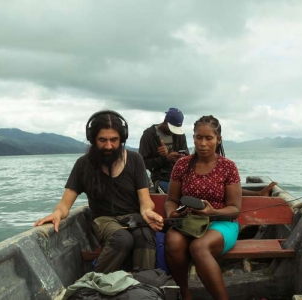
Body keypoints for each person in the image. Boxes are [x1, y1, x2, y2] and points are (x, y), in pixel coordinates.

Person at [34, 110, 164, 273]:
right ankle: (94, 283)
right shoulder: (83, 164)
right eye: (102, 140)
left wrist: (147, 212)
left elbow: (145, 201)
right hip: (103, 219)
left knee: (145, 237)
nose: (108, 146)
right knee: (122, 239)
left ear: (122, 138)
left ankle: (143, 286)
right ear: (93, 139)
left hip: (133, 217)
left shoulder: (135, 160)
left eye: (114, 140)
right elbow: (65, 203)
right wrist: (57, 214)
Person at [163, 115, 241, 300]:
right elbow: (171, 199)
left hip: (221, 222)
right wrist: (171, 213)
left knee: (199, 247)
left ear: (218, 139)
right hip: (189, 222)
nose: (203, 143)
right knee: (172, 240)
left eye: (209, 138)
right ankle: (185, 292)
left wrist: (212, 212)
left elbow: (235, 209)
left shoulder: (228, 167)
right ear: (193, 138)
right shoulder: (182, 165)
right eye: (199, 137)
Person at [139, 108, 189, 193]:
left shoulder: (180, 135)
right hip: (161, 178)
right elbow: (143, 163)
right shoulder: (149, 135)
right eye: (171, 129)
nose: (173, 132)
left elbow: (187, 156)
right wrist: (165, 159)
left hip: (181, 177)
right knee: (171, 193)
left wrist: (180, 157)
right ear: (165, 121)